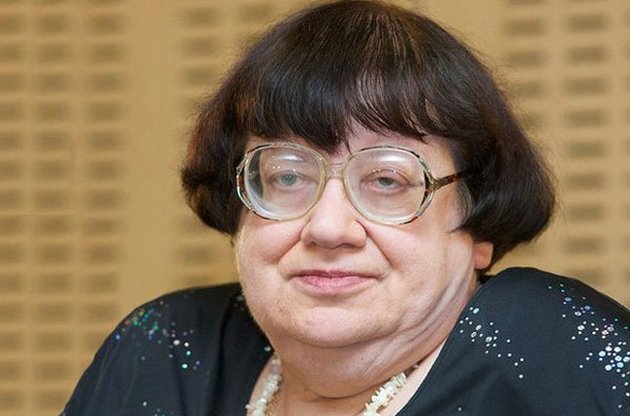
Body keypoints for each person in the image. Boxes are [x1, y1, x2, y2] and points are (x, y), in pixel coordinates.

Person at [61, 1, 629, 415]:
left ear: (479, 223)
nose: (329, 227)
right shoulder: (161, 351)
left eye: (387, 180)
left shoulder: (553, 351)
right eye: (287, 176)